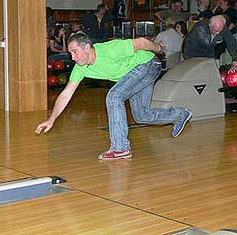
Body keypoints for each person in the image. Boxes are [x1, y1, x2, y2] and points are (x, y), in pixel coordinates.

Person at [36, 33, 192, 160]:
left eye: (75, 52)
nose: (72, 57)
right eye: (70, 53)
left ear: (88, 48)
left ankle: (120, 148)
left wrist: (159, 48)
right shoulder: (80, 68)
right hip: (136, 74)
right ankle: (180, 115)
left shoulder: (111, 49)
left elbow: (141, 42)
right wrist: (52, 119)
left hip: (148, 65)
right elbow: (66, 94)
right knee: (141, 115)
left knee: (114, 97)